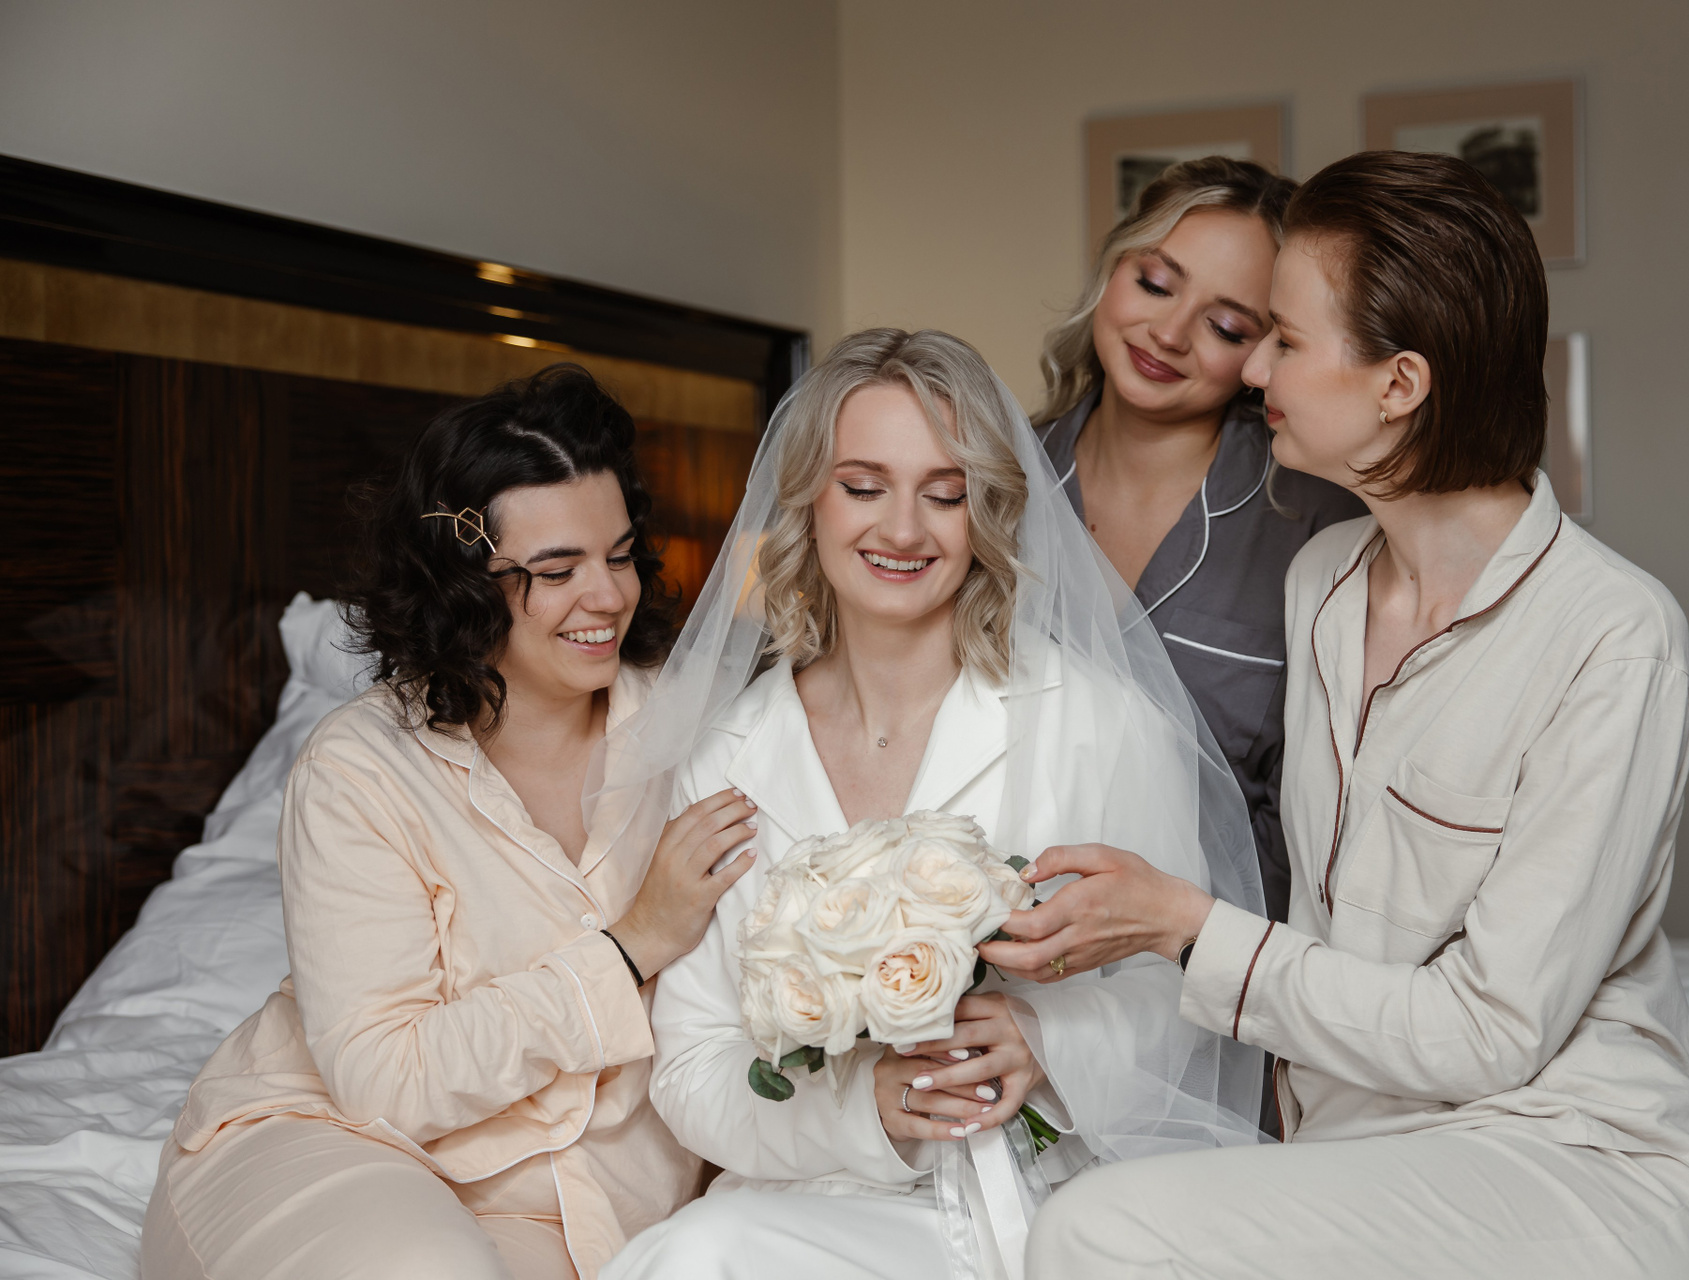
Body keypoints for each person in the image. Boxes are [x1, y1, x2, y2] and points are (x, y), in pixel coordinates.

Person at [982, 152, 1689, 1278]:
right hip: (1356, 1147)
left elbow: (1493, 1033)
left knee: (1094, 1230)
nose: (1255, 372)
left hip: (1573, 1153)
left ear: (1399, 385)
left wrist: (1182, 926)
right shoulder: (1327, 582)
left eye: (1284, 341)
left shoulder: (1615, 635)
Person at [599, 329, 1266, 1280]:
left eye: (945, 494)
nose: (904, 530)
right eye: (863, 487)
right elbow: (692, 1067)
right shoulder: (725, 756)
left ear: (987, 512)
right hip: (811, 1197)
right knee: (694, 1258)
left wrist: (1048, 1039)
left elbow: (1187, 998)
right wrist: (867, 1107)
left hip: (1047, 1199)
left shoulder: (1100, 724)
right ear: (808, 501)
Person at [142, 366, 757, 1280]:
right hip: (337, 1143)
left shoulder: (703, 731)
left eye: (621, 555)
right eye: (557, 571)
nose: (606, 597)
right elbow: (386, 1082)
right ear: (463, 583)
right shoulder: (361, 766)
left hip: (565, 1201)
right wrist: (632, 947)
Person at [1034, 155, 1365, 923]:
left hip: (1219, 957)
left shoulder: (1317, 528)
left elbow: (1321, 827)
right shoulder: (989, 482)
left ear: (1268, 350)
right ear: (1113, 268)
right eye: (1155, 283)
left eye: (1225, 326)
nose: (1169, 333)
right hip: (1002, 942)